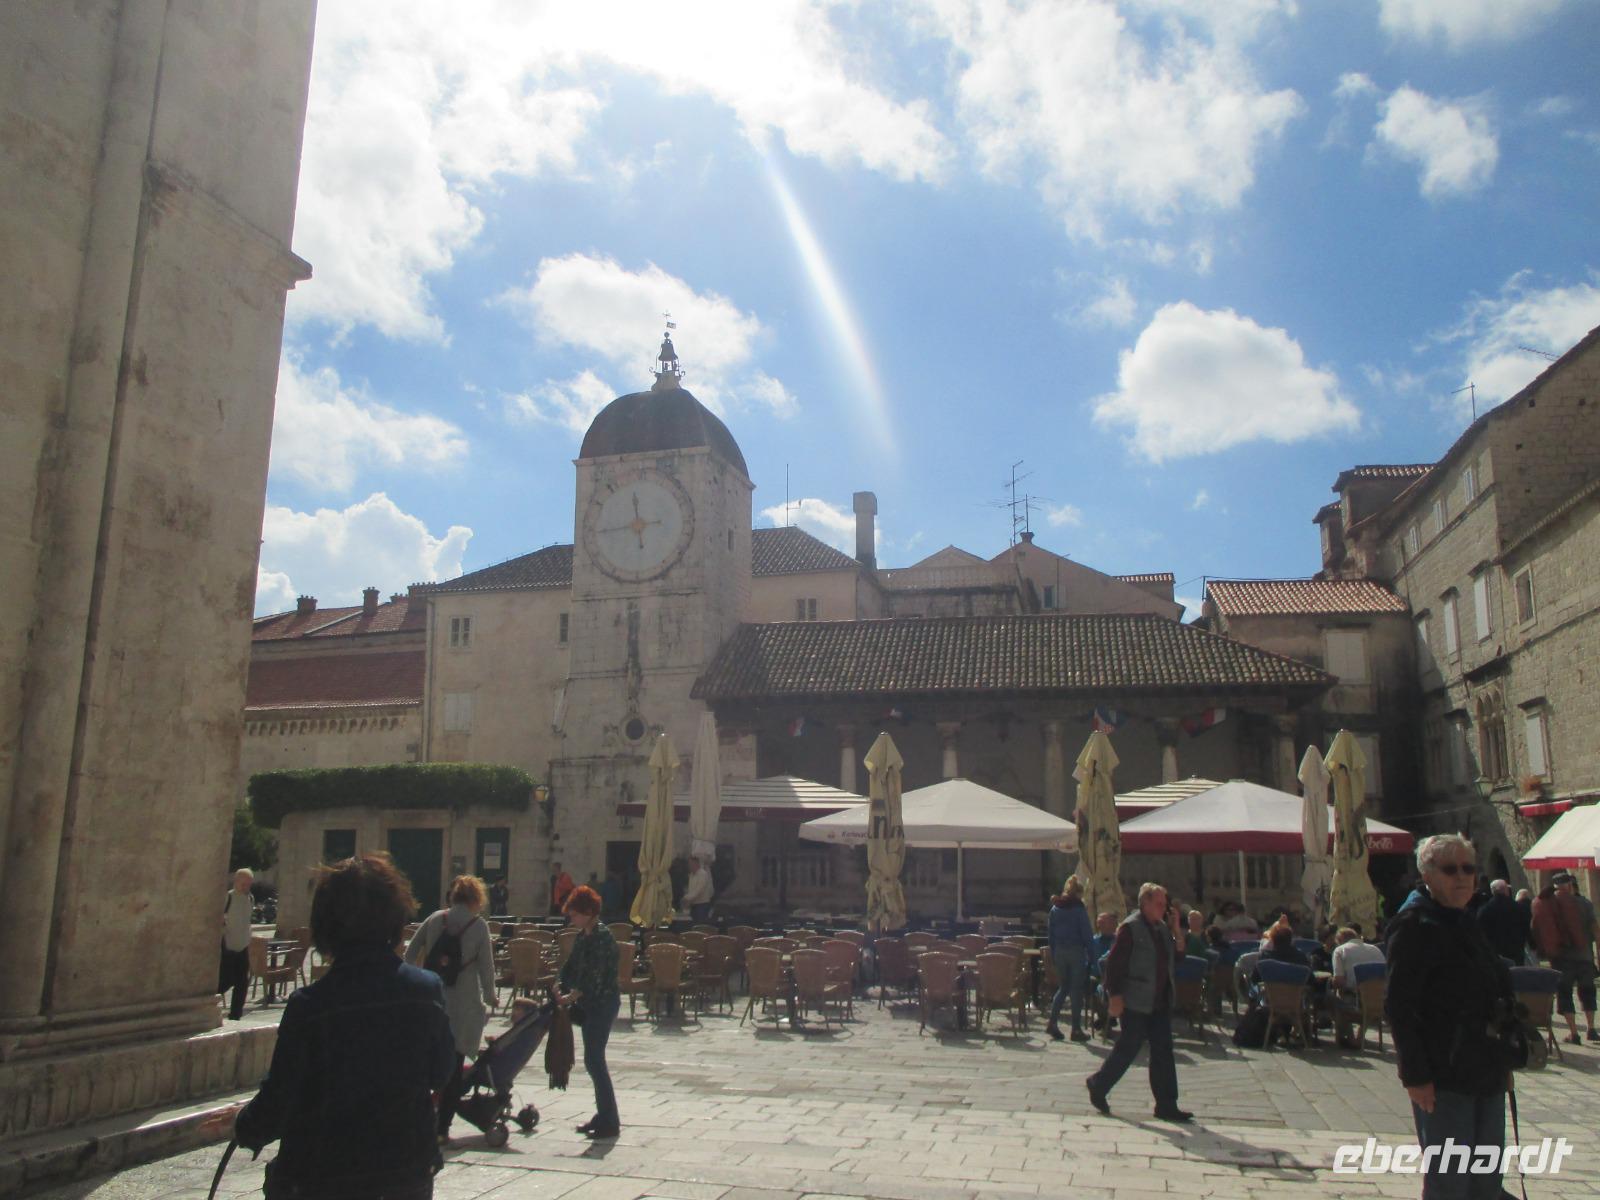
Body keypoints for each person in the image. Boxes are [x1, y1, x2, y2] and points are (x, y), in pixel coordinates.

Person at [231, 853, 455, 1199]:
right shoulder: (427, 991)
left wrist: (243, 1125)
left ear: (326, 924)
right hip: (404, 1172)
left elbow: (279, 1100)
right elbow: (441, 1072)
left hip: (324, 1176)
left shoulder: (310, 1006)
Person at [1385, 833, 1514, 1200]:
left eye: (1468, 869)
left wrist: (1505, 1058)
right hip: (1444, 1076)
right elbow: (1399, 1005)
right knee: (1450, 1182)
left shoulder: (1468, 921)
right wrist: (1415, 1074)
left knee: (1486, 1181)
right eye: (1450, 869)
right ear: (1427, 874)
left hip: (1486, 1069)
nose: (1461, 877)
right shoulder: (1414, 926)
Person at [1085, 883, 1192, 1123]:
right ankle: (1099, 1084)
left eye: (1165, 904)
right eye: (1159, 904)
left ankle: (1167, 1104)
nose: (1163, 908)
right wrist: (1115, 996)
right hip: (1136, 999)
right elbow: (1114, 964)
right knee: (1129, 1047)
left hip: (1159, 1000)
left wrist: (1176, 929)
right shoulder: (1130, 928)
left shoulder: (1162, 928)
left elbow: (1178, 957)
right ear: (1145, 903)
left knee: (1163, 1051)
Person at [405, 874, 498, 1143]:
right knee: (455, 1067)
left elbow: (409, 953)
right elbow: (486, 967)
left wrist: (416, 979)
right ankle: (442, 1129)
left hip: (432, 998)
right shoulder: (478, 926)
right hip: (463, 1003)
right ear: (476, 899)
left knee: (427, 1062)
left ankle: (420, 1121)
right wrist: (491, 995)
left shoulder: (435, 918)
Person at [557, 885, 621, 1139]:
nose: (571, 919)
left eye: (574, 914)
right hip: (589, 1005)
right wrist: (559, 983)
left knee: (595, 1060)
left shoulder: (602, 937)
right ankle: (604, 1114)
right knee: (593, 1061)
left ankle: (609, 1120)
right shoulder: (583, 936)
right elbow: (571, 965)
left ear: (587, 912)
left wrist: (574, 995)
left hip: (602, 1004)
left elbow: (595, 975)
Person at [1541, 873, 1598, 1044]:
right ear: (1571, 885)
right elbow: (1596, 930)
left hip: (1562, 959)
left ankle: (1574, 1032)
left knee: (1565, 994)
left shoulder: (1550, 905)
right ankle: (1591, 1028)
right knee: (1588, 992)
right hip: (1585, 956)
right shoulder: (1585, 904)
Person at [1046, 877, 1094, 1042]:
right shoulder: (1079, 909)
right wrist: (1092, 955)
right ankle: (1076, 1029)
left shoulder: (1055, 908)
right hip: (1076, 951)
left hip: (1059, 951)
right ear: (1079, 893)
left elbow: (1050, 934)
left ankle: (1052, 1022)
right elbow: (1086, 933)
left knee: (1063, 988)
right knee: (1076, 990)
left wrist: (1053, 953)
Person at [218, 868, 255, 1021]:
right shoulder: (228, 897)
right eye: (243, 884)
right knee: (226, 980)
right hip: (228, 945)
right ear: (236, 881)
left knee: (242, 983)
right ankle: (208, 1002)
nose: (246, 887)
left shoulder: (250, 898)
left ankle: (235, 1015)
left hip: (243, 945)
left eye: (248, 884)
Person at [1474, 879, 1531, 966]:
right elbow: (1526, 926)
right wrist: (1531, 942)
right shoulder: (1518, 907)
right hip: (1516, 948)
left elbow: (1480, 931)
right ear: (1506, 890)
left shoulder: (1484, 910)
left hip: (1496, 951)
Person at [681, 854, 714, 922]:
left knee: (700, 925)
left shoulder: (703, 874)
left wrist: (686, 898)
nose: (689, 865)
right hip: (693, 905)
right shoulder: (691, 875)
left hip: (702, 905)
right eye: (689, 864)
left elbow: (699, 890)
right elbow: (691, 890)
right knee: (693, 924)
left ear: (696, 863)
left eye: (691, 863)